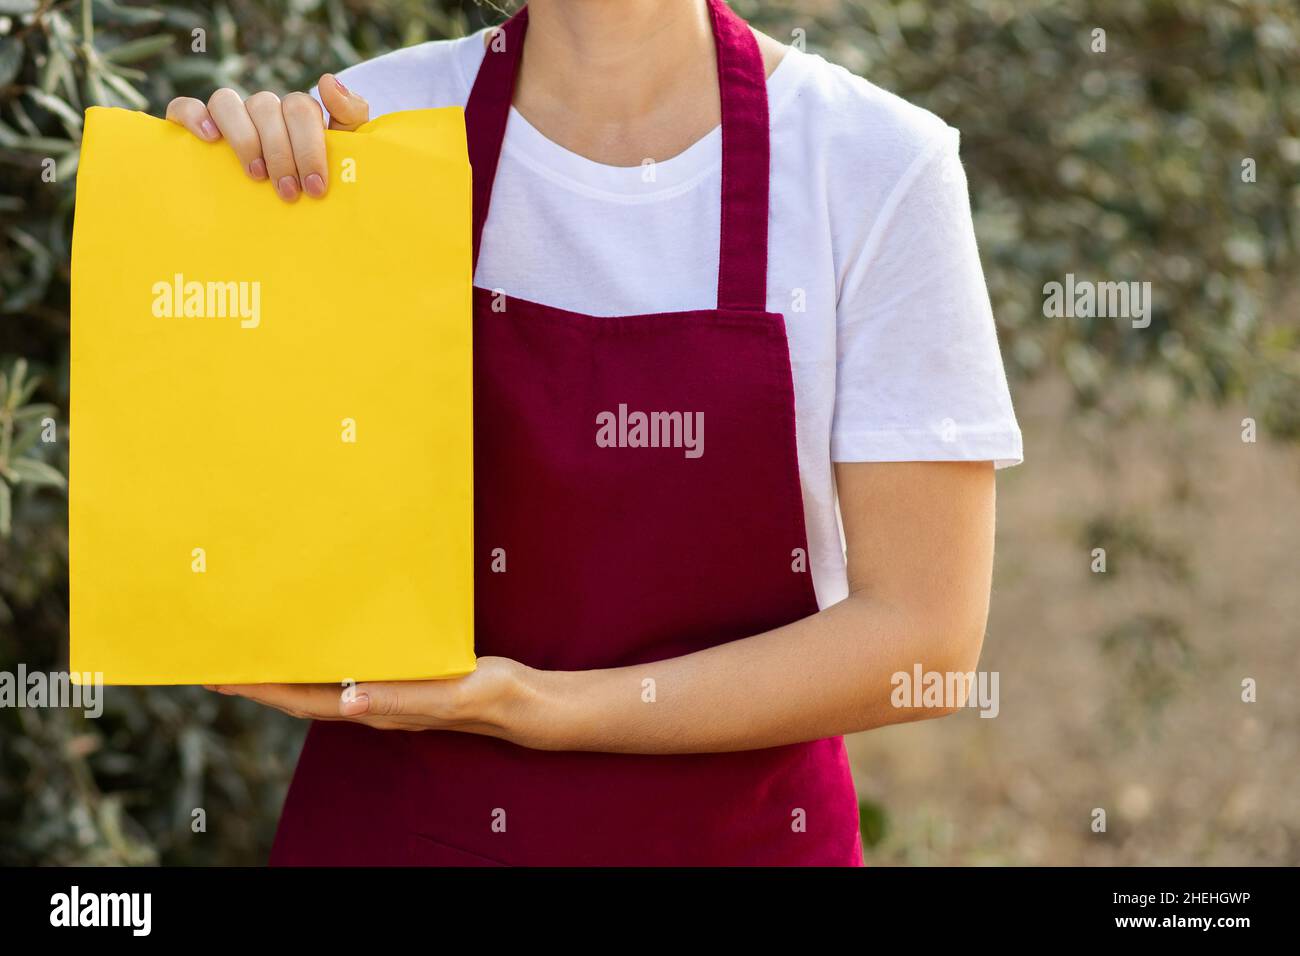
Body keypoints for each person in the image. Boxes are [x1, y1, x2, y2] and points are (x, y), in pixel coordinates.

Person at [168, 0, 1023, 866]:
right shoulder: (366, 122)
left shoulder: (874, 163)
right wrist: (198, 206)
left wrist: (530, 706)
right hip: (399, 830)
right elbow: (252, 515)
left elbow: (924, 635)